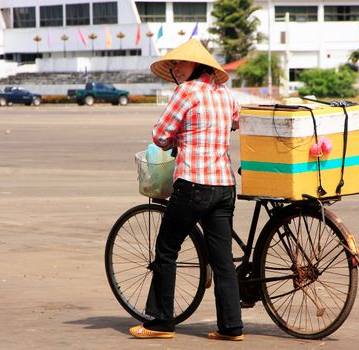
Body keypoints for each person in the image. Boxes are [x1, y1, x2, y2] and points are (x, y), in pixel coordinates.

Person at [129, 39, 243, 341]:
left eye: (181, 63)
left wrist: (177, 139)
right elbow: (235, 123)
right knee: (222, 259)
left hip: (193, 184)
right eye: (173, 64)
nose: (175, 68)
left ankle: (160, 322)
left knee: (166, 250)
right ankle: (231, 327)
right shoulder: (225, 95)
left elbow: (160, 134)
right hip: (224, 186)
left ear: (197, 66)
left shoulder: (186, 92)